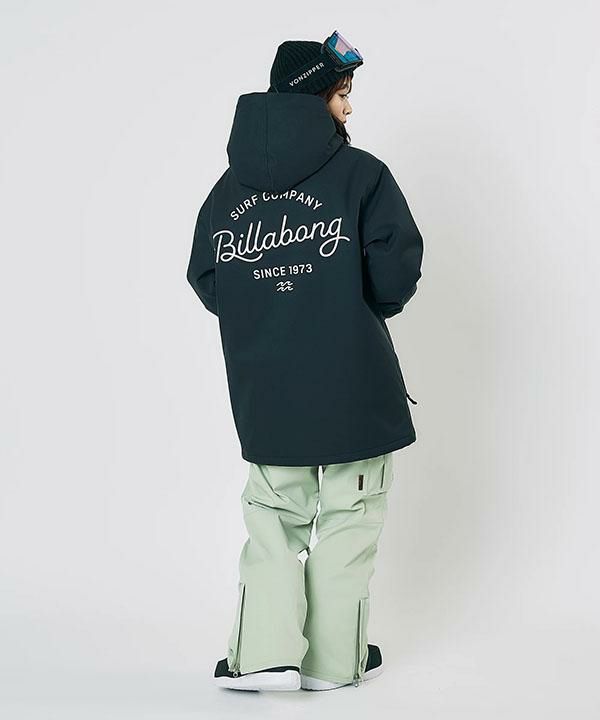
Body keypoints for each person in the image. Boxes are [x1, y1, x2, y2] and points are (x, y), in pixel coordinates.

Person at [186, 30, 424, 692]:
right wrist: (347, 302)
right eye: (342, 94)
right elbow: (395, 271)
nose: (349, 108)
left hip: (266, 388)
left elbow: (207, 276)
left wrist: (267, 313)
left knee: (272, 519)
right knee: (351, 516)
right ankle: (330, 663)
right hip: (353, 383)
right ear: (314, 97)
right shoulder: (363, 175)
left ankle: (264, 655)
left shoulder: (227, 192)